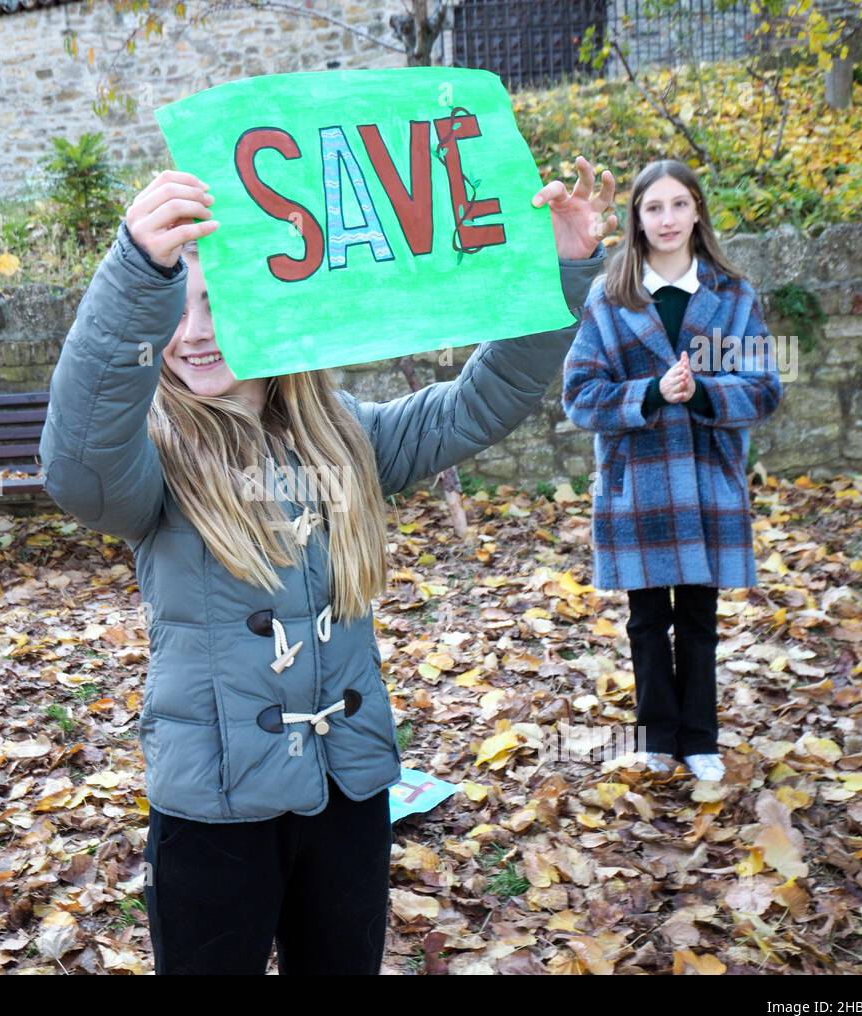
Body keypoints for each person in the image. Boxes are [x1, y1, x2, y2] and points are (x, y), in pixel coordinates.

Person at [40, 156, 615, 974]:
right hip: (215, 809)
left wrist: (557, 273)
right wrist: (138, 274)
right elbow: (76, 464)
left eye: (221, 302)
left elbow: (481, 401)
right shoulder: (148, 464)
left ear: (275, 309)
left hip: (347, 789)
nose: (195, 332)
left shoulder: (345, 433)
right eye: (179, 304)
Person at [561, 159, 783, 783]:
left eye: (678, 205)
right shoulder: (609, 296)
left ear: (697, 212)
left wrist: (706, 394)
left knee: (699, 617)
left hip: (709, 480)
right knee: (647, 619)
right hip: (639, 486)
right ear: (635, 217)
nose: (667, 219)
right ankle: (657, 735)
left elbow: (765, 387)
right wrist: (651, 393)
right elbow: (579, 396)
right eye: (653, 207)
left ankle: (700, 736)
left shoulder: (733, 295)